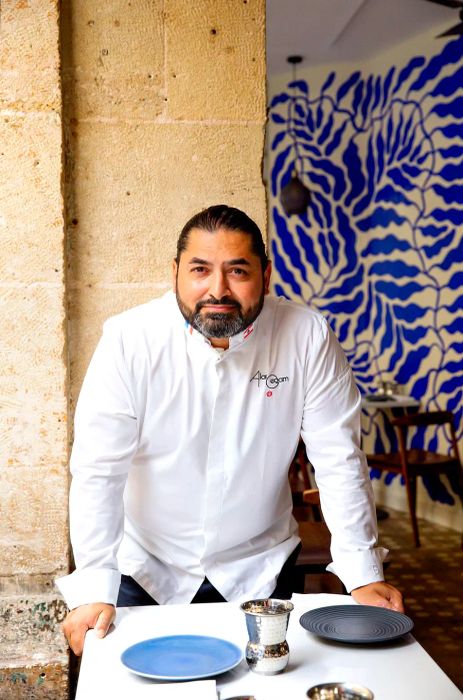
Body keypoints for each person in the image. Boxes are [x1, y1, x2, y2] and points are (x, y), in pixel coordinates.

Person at [57, 204, 403, 655]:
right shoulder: (129, 340)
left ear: (266, 274)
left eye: (237, 271)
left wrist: (363, 574)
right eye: (200, 269)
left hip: (260, 568)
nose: (217, 289)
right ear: (175, 272)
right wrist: (92, 586)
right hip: (143, 571)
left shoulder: (306, 336)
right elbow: (98, 471)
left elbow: (339, 460)